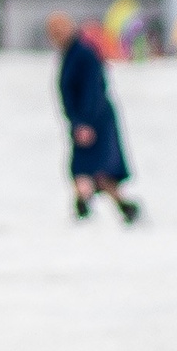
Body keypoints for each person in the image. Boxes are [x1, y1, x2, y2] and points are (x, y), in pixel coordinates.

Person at [48, 13, 140, 223]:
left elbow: (93, 91)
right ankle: (119, 207)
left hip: (94, 121)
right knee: (96, 170)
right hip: (86, 121)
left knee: (87, 168)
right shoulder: (72, 53)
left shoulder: (84, 54)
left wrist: (85, 123)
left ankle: (84, 210)